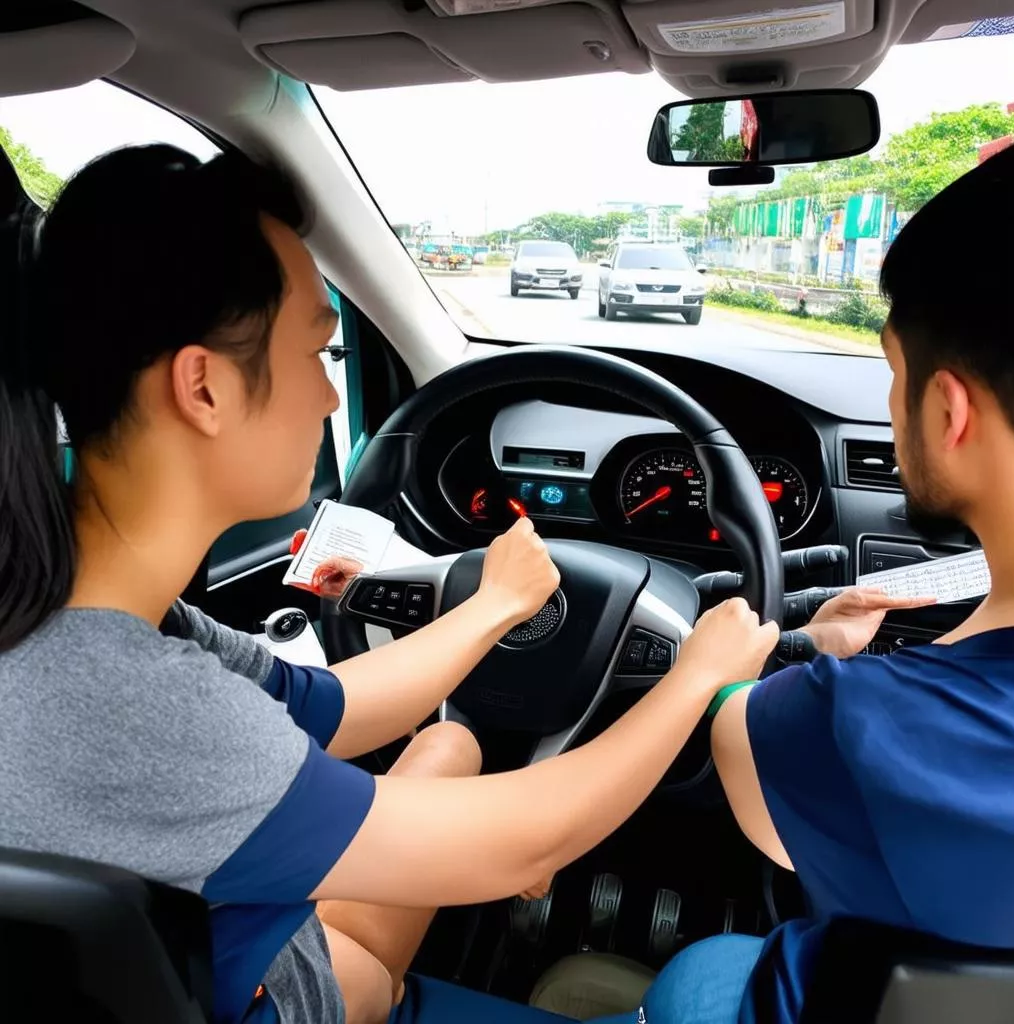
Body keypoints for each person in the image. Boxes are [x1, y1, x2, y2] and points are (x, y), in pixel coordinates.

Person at [0, 143, 782, 1024]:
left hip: (198, 965)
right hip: (256, 999)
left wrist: (497, 605)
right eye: (318, 354)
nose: (331, 400)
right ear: (204, 387)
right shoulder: (135, 706)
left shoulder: (82, 607)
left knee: (449, 745)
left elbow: (329, 707)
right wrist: (696, 677)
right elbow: (523, 852)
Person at [585, 135, 1014, 1024]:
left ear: (949, 409)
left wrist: (757, 659)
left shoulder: (861, 720)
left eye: (893, 374)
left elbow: (733, 729)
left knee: (703, 973)